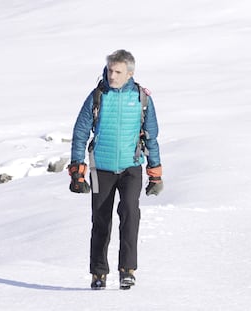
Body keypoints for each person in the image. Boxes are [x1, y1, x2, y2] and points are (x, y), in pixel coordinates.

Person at [68, 49, 163, 290]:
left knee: (130, 214)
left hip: (131, 167)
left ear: (129, 73)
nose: (112, 75)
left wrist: (155, 173)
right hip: (101, 169)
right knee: (100, 220)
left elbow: (151, 137)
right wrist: (77, 171)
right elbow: (80, 133)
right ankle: (98, 273)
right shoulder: (98, 95)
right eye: (110, 70)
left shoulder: (142, 99)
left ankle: (127, 270)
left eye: (117, 71)